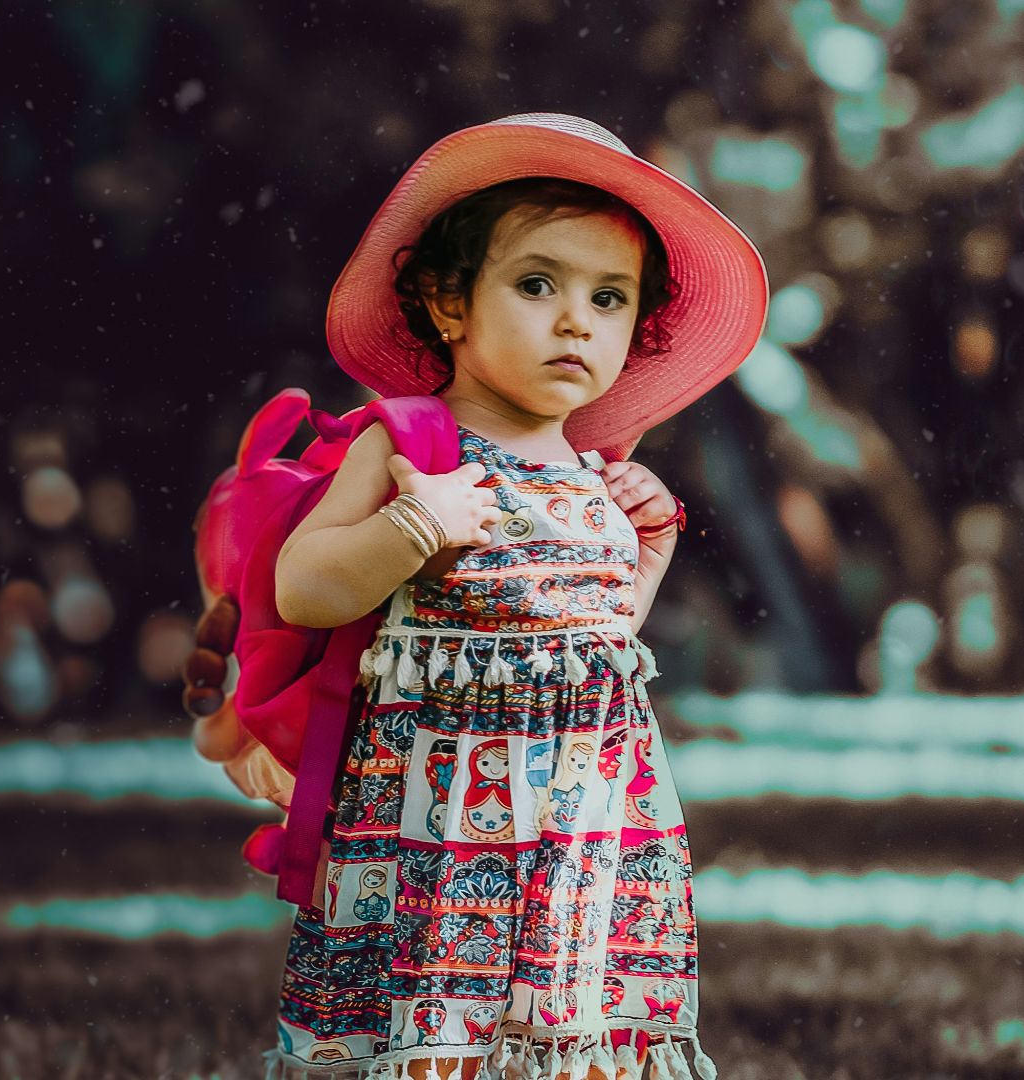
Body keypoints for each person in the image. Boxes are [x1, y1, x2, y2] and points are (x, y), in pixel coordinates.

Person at [264, 113, 766, 1080]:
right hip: (442, 811)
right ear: (449, 302)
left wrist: (647, 542)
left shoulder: (596, 471)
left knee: (567, 1006)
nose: (576, 318)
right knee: (441, 1002)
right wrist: (411, 529)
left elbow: (606, 639)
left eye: (609, 298)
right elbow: (303, 588)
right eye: (538, 284)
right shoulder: (409, 445)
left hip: (586, 811)